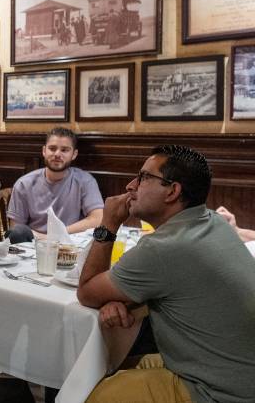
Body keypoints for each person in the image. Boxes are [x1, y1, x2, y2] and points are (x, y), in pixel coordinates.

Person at [77, 145, 255, 403]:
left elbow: (87, 292)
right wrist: (124, 298)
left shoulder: (164, 248)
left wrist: (109, 223)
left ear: (173, 191)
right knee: (118, 366)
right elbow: (183, 287)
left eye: (144, 177)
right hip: (238, 372)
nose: (130, 185)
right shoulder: (213, 222)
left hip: (218, 392)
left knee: (98, 393)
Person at [6, 127, 104, 242]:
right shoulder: (24, 184)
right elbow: (15, 229)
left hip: (69, 244)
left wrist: (55, 235)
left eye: (64, 150)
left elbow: (98, 218)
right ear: (44, 151)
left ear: (74, 154)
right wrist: (43, 239)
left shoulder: (85, 181)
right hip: (34, 245)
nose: (57, 154)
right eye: (52, 149)